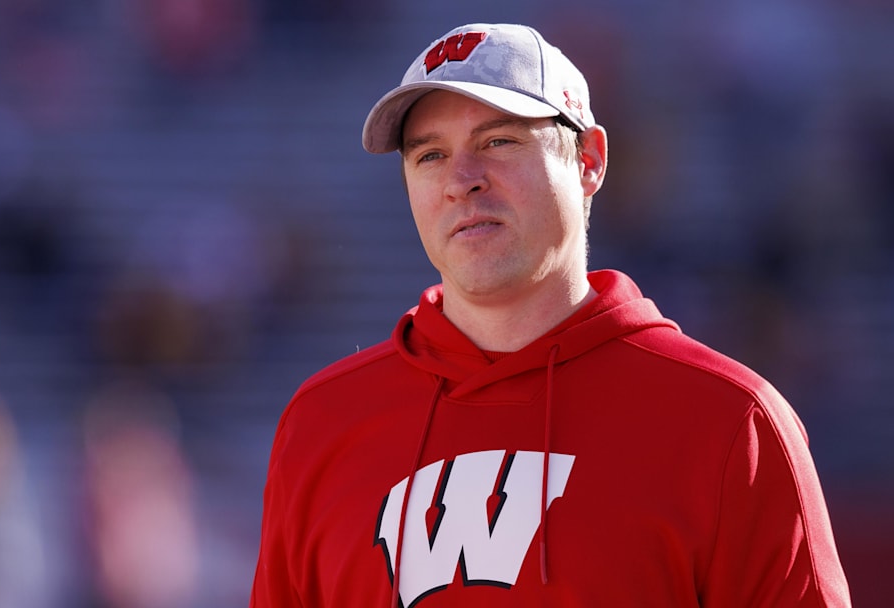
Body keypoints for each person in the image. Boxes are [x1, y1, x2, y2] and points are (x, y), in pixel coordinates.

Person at [250, 22, 851, 607]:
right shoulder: (321, 425)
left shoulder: (731, 424)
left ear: (589, 160)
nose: (462, 181)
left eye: (499, 141)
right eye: (429, 155)